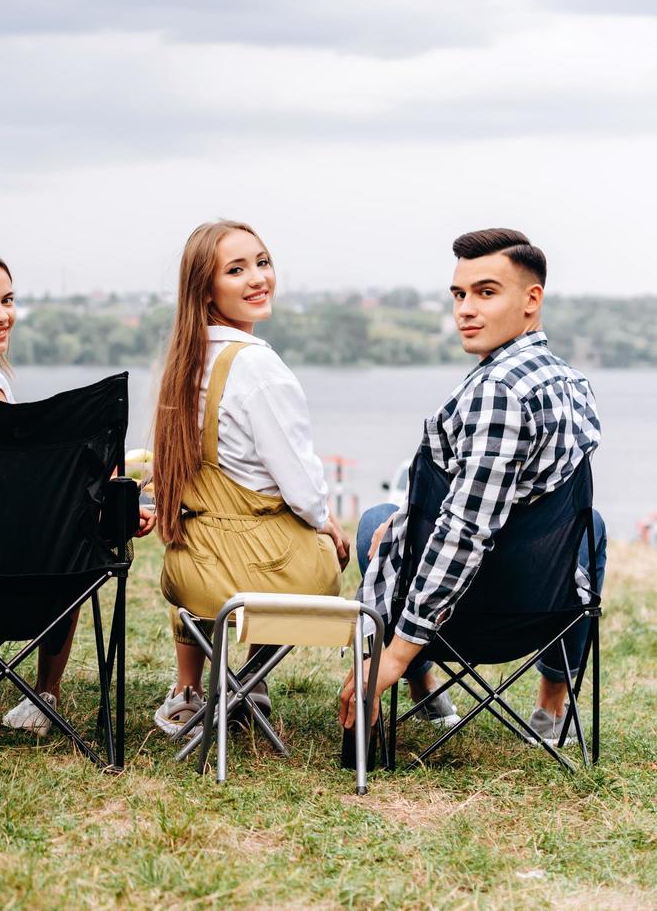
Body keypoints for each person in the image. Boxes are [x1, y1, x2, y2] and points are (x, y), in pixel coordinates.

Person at [342, 229, 604, 744]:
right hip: (545, 606)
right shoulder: (571, 382)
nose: (465, 309)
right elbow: (519, 496)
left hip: (475, 615)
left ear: (531, 300)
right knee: (589, 526)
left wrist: (392, 654)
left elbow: (465, 531)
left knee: (375, 520)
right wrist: (410, 520)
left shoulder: (498, 392)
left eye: (486, 293)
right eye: (459, 295)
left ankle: (419, 682)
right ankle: (554, 705)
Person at [0, 245, 157, 733]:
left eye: (7, 300)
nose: (2, 316)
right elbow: (16, 489)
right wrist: (112, 498)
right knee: (71, 540)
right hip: (36, 582)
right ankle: (45, 696)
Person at [150, 220, 350, 735]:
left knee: (237, 524)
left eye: (262, 262)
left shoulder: (185, 358)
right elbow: (301, 484)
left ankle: (197, 688)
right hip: (254, 572)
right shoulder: (259, 367)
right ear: (206, 289)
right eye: (236, 270)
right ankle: (251, 682)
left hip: (193, 570)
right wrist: (325, 523)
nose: (258, 278)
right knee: (316, 544)